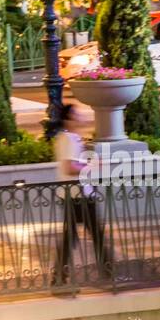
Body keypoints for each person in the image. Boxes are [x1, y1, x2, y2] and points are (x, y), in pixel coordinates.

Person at [51, 103, 112, 291]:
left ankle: (61, 276)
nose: (81, 117)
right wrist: (92, 166)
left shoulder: (69, 138)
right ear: (68, 119)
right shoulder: (68, 139)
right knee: (89, 234)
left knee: (81, 234)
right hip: (77, 195)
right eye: (76, 115)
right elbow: (69, 167)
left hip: (78, 193)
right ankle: (61, 276)